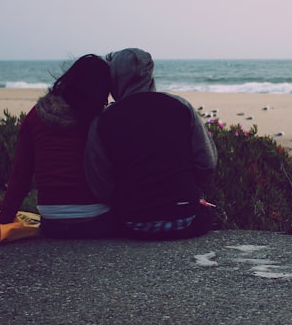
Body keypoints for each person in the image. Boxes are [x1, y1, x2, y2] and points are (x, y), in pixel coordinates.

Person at [85, 47, 218, 240]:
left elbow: (98, 182)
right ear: (149, 74)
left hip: (131, 222)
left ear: (114, 78)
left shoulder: (103, 119)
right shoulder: (180, 106)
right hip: (185, 219)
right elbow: (207, 163)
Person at [0, 54, 114, 241]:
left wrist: (3, 220)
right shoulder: (101, 119)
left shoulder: (36, 115)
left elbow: (21, 173)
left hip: (53, 222)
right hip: (97, 221)